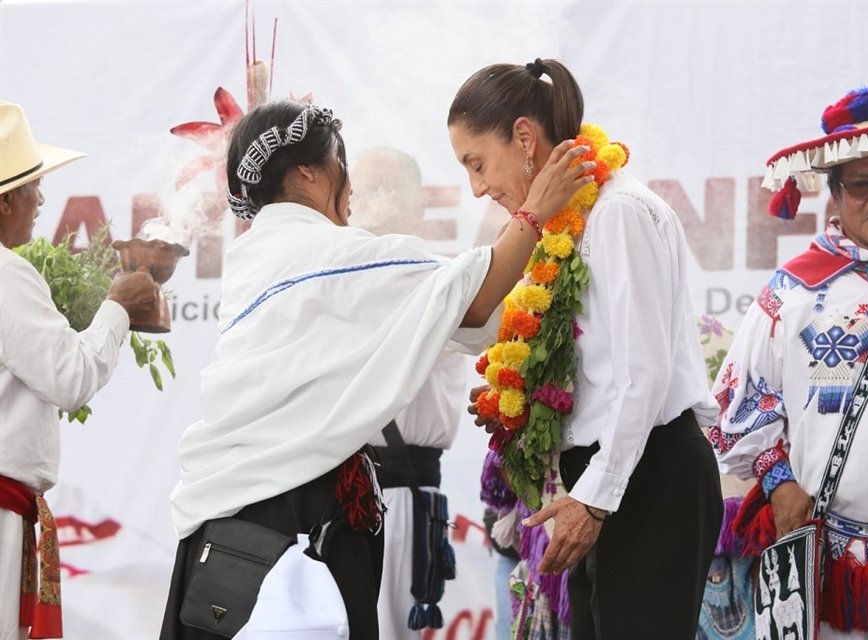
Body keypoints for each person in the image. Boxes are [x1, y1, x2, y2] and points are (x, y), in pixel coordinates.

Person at [160, 100, 593, 639]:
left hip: (223, 537)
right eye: (344, 163)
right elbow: (476, 299)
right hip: (290, 536)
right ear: (308, 172)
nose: (356, 188)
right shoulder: (328, 253)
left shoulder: (255, 257)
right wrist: (536, 211)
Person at [450, 58, 724, 638]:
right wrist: (521, 394)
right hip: (604, 475)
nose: (477, 187)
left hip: (647, 472)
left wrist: (595, 500)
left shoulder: (618, 211)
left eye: (477, 163)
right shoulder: (563, 225)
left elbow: (641, 374)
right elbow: (594, 365)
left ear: (524, 137)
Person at [708, 86, 868, 638]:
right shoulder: (794, 290)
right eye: (862, 184)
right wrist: (778, 483)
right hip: (824, 565)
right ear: (836, 196)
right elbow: (742, 408)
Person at [0, 101, 159, 640]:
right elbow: (70, 379)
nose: (41, 198)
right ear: (4, 202)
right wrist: (116, 306)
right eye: (32, 186)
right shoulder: (7, 276)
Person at [349, 150, 470, 638]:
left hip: (401, 494)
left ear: (417, 203)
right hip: (338, 494)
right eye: (364, 191)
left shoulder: (438, 278)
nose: (374, 203)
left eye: (388, 189)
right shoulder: (341, 279)